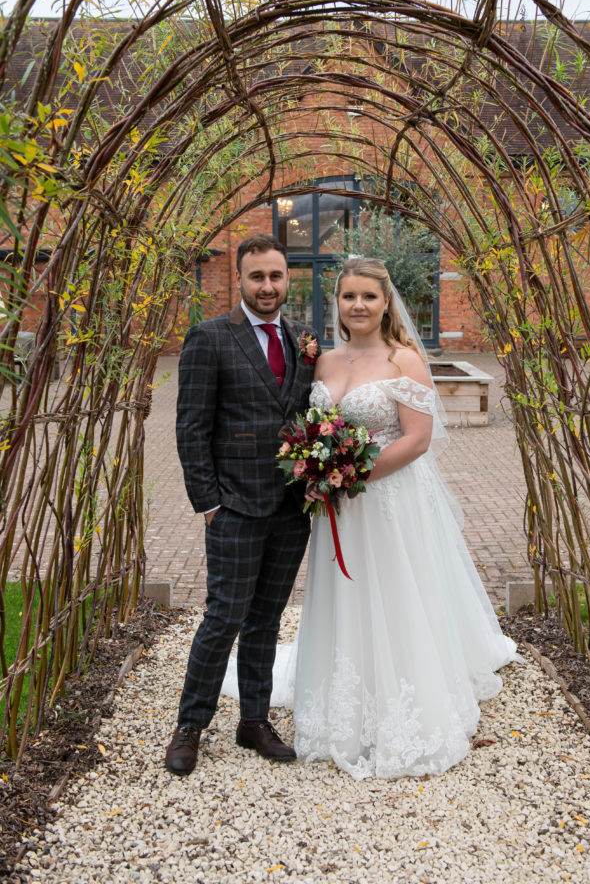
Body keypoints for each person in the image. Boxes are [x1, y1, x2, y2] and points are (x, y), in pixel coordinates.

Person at [228, 256, 518, 780]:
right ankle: (347, 697)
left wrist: (347, 476)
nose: (357, 305)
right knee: (347, 594)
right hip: (339, 508)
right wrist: (320, 471)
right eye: (348, 296)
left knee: (396, 593)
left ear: (386, 303)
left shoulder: (404, 359)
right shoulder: (323, 361)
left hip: (388, 501)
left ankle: (406, 700)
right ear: (335, 303)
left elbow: (417, 439)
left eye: (368, 296)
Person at [165, 233, 319, 776]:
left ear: (287, 277)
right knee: (223, 616)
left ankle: (253, 720)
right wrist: (209, 503)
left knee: (267, 618)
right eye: (257, 277)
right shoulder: (209, 338)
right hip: (233, 504)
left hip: (291, 508)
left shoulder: (305, 338)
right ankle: (190, 725)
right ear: (241, 279)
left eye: (276, 276)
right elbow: (191, 428)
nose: (268, 286)